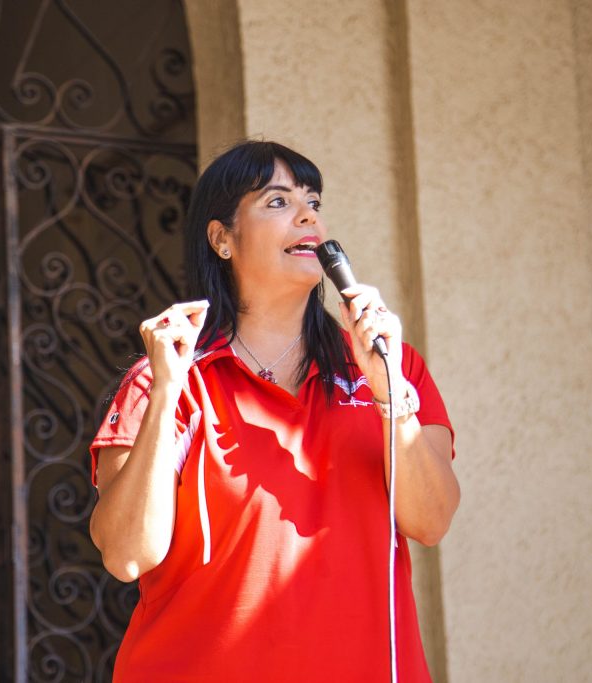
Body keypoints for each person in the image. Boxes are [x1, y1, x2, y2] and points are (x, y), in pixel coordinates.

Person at [88, 141, 459, 682]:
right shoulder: (168, 377)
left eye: (313, 199)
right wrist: (167, 392)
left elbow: (431, 521)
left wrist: (390, 396)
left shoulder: (390, 366)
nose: (309, 213)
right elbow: (125, 556)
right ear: (222, 239)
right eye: (278, 201)